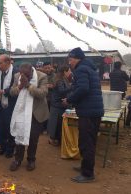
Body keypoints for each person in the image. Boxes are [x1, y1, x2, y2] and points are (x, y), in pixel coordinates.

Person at [62, 47, 104, 183]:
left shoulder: (81, 69)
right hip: (93, 110)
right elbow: (84, 87)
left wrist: (69, 100)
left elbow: (83, 89)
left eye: (71, 59)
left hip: (88, 111)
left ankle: (87, 174)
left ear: (78, 58)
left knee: (86, 143)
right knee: (89, 141)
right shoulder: (90, 68)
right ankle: (85, 166)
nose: (69, 63)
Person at [9, 63, 49, 171]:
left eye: (26, 74)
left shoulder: (42, 76)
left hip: (36, 112)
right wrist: (20, 86)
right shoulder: (17, 76)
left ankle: (31, 160)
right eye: (22, 74)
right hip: (21, 111)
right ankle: (17, 159)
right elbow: (12, 92)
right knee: (19, 135)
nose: (24, 76)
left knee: (33, 138)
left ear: (32, 71)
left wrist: (28, 86)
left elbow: (43, 93)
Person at [0, 54, 17, 158]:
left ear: (8, 63)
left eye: (0, 63)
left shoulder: (15, 73)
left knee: (9, 126)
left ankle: (10, 148)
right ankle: (2, 146)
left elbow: (16, 88)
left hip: (10, 104)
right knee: (0, 125)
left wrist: (4, 91)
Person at [47, 65, 71, 146]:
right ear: (64, 72)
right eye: (69, 71)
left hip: (58, 104)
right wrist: (72, 87)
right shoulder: (60, 80)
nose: (70, 72)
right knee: (56, 123)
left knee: (56, 123)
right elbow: (61, 91)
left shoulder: (61, 79)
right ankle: (52, 139)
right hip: (58, 104)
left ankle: (55, 138)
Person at [41, 62, 55, 133]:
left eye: (49, 68)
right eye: (45, 68)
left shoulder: (54, 75)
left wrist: (47, 85)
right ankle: (42, 128)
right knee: (42, 113)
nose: (47, 69)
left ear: (51, 67)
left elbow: (54, 85)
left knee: (49, 114)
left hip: (51, 98)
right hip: (42, 97)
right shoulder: (40, 75)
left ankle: (47, 129)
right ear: (43, 68)